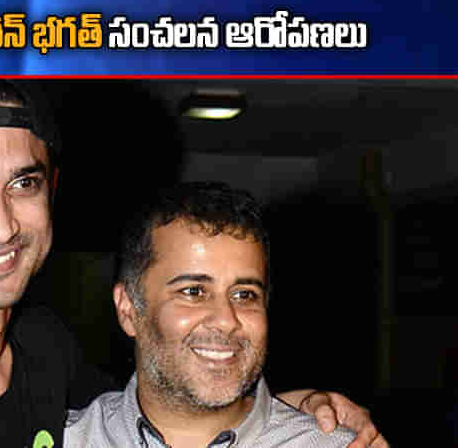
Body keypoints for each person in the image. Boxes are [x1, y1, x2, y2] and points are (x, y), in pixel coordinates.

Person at [0, 81, 384, 448]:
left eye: (23, 184)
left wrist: (277, 410)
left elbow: (148, 413)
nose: (0, 225)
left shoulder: (42, 348)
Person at [65, 182, 379, 447]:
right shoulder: (61, 439)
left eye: (244, 295)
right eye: (193, 292)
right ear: (128, 309)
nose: (227, 320)